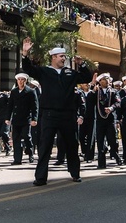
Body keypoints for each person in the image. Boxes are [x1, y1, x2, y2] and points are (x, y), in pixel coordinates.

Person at [20, 38, 92, 185]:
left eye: (64, 57)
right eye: (61, 57)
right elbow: (28, 69)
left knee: (72, 145)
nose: (63, 59)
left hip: (67, 115)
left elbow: (87, 77)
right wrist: (25, 53)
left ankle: (75, 173)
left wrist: (82, 64)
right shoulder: (45, 72)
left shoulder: (70, 73)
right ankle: (40, 177)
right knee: (45, 146)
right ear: (53, 57)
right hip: (49, 114)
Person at [92, 73, 122, 168]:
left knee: (112, 140)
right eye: (105, 79)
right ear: (100, 81)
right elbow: (89, 100)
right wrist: (92, 89)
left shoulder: (113, 92)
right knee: (100, 142)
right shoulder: (96, 91)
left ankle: (115, 154)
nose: (108, 81)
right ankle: (101, 164)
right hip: (100, 120)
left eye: (108, 79)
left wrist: (111, 108)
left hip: (110, 120)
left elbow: (118, 103)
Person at [8, 73, 38, 165]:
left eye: (22, 80)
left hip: (26, 118)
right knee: (16, 139)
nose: (20, 82)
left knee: (26, 136)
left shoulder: (30, 91)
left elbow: (35, 106)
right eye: (19, 80)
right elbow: (10, 106)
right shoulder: (14, 92)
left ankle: (30, 152)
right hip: (16, 119)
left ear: (25, 81)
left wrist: (34, 119)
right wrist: (7, 118)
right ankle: (17, 159)